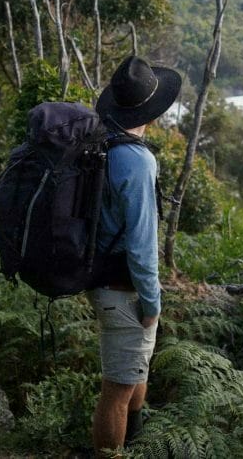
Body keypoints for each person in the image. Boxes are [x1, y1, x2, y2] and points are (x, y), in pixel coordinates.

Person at [89, 55, 181, 456]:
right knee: (117, 392)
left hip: (101, 277)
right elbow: (143, 245)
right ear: (151, 111)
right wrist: (153, 301)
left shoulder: (100, 142)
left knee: (132, 372)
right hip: (123, 287)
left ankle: (139, 442)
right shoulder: (137, 160)